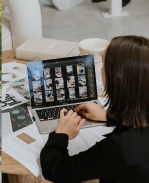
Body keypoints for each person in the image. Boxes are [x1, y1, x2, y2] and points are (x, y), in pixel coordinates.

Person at [40, 36, 149, 182]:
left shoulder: (118, 149)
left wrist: (61, 135)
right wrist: (108, 116)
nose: (101, 70)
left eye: (103, 65)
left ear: (114, 78)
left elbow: (54, 170)